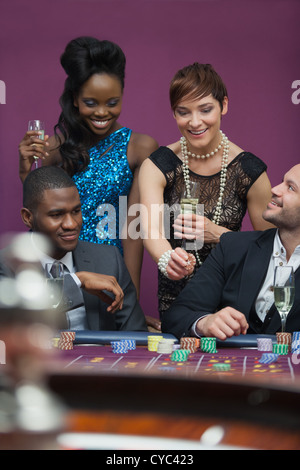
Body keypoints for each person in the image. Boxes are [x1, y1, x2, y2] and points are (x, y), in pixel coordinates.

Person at [18, 36, 159, 322]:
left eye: (113, 102)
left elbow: (133, 231)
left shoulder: (140, 147)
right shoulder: (57, 149)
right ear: (74, 100)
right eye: (90, 102)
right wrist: (26, 172)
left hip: (109, 273)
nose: (102, 112)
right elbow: (41, 213)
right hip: (62, 269)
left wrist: (130, 306)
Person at [139, 63, 274, 318]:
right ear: (174, 113)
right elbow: (151, 231)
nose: (195, 121)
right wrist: (168, 259)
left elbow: (269, 248)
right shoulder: (158, 166)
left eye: (205, 109)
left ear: (223, 105)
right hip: (177, 300)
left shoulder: (249, 170)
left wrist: (218, 234)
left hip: (233, 302)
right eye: (183, 112)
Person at [161, 164, 300, 340]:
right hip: (229, 367)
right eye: (282, 181)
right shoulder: (233, 247)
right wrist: (203, 323)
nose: (275, 189)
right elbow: (176, 317)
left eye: (290, 187)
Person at [1, 166, 147, 332]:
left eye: (76, 211)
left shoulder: (108, 259)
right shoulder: (7, 264)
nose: (71, 224)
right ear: (28, 217)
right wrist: (77, 281)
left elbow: (136, 335)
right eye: (56, 215)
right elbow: (16, 325)